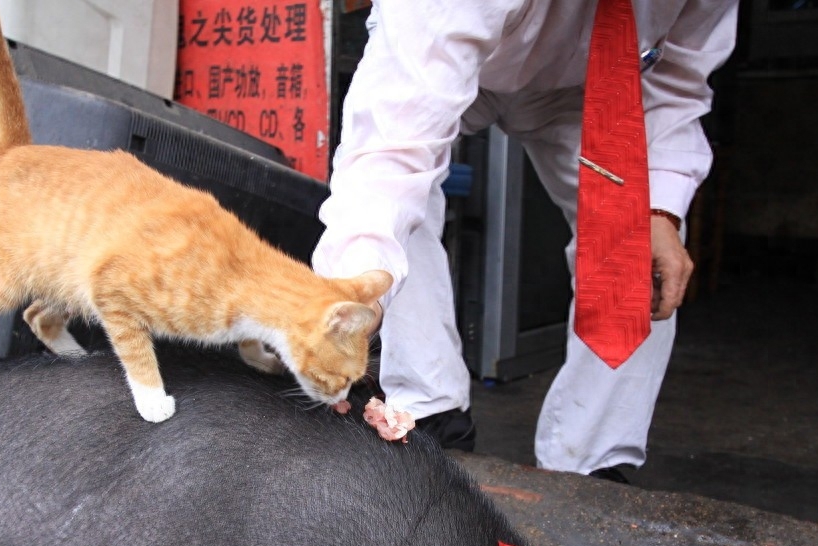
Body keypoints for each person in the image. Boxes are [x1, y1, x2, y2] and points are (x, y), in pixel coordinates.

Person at [311, 0, 739, 478]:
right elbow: (393, 156)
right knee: (400, 200)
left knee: (640, 248)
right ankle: (429, 412)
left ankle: (592, 465)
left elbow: (678, 78)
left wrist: (661, 207)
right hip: (452, 59)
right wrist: (353, 297)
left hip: (593, 85)